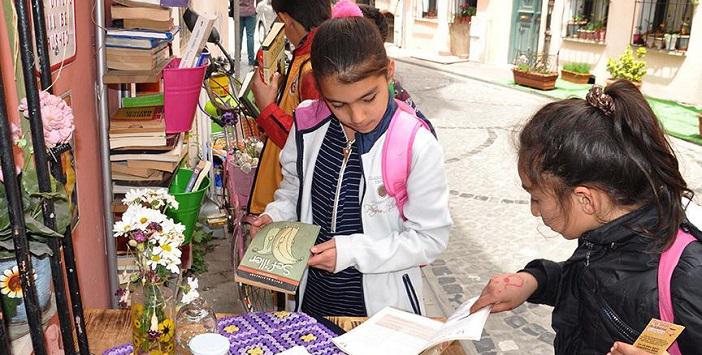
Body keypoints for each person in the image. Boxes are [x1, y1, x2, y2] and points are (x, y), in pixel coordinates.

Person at [469, 81, 702, 354]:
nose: (534, 210)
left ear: (585, 199)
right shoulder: (605, 236)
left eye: (536, 197)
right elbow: (589, 286)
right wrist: (535, 281)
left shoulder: (687, 275)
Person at [249, 15, 452, 317]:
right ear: (319, 89)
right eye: (338, 104)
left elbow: (429, 239)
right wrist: (275, 218)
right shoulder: (307, 125)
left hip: (381, 313)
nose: (357, 116)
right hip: (312, 301)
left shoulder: (415, 145)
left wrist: (353, 252)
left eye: (369, 98)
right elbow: (294, 191)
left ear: (389, 73)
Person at [249, 0, 331, 215]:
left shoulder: (313, 68)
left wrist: (267, 108)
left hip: (289, 198)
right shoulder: (305, 55)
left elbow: (309, 144)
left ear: (285, 19)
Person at [238, 0, 256, 66]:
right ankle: (251, 61)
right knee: (250, 36)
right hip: (250, 11)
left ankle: (237, 58)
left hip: (239, 12)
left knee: (238, 36)